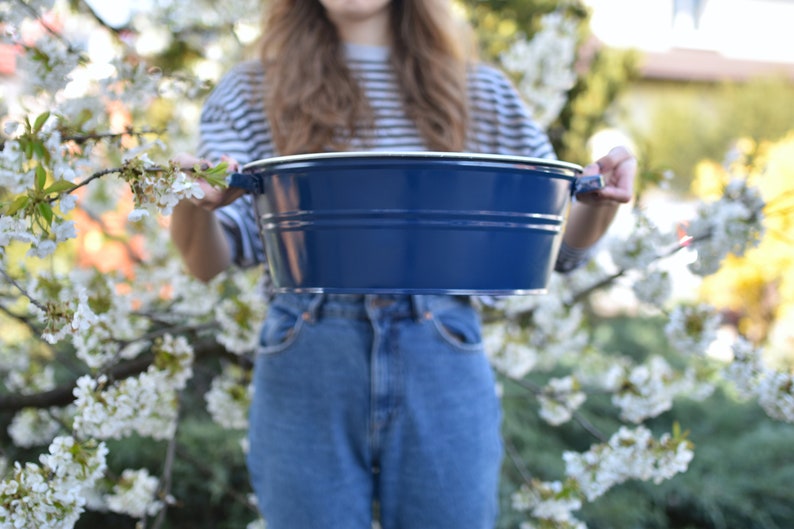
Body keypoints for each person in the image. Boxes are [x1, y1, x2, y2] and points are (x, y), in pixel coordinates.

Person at [169, 1, 636, 528]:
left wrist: (600, 205)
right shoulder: (249, 91)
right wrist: (190, 195)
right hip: (307, 352)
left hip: (443, 350)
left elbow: (560, 252)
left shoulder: (481, 92)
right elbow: (205, 261)